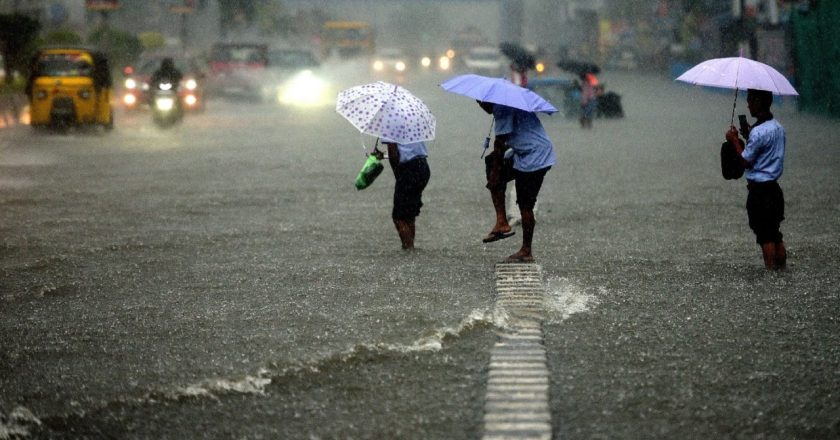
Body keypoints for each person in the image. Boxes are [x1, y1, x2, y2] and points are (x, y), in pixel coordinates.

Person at [478, 100, 555, 263]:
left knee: (525, 203)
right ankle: (501, 222)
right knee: (492, 163)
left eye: (481, 103)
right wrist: (495, 170)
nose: (481, 107)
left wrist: (496, 174)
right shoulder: (504, 106)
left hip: (535, 156)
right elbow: (502, 145)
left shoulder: (502, 108)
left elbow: (500, 142)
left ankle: (526, 250)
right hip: (522, 151)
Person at [725, 88, 787, 270]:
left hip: (760, 192)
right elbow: (765, 148)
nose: (748, 104)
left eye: (751, 100)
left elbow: (746, 161)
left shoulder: (758, 133)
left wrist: (734, 141)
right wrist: (748, 134)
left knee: (764, 235)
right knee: (775, 234)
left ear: (759, 102)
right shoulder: (778, 127)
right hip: (775, 190)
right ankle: (782, 272)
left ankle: (770, 275)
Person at [375, 140, 431, 250]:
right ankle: (411, 249)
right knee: (409, 215)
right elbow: (409, 152)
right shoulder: (413, 123)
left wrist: (398, 175)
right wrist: (383, 155)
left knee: (399, 217)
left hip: (409, 171)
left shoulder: (390, 124)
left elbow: (393, 153)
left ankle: (408, 250)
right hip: (423, 167)